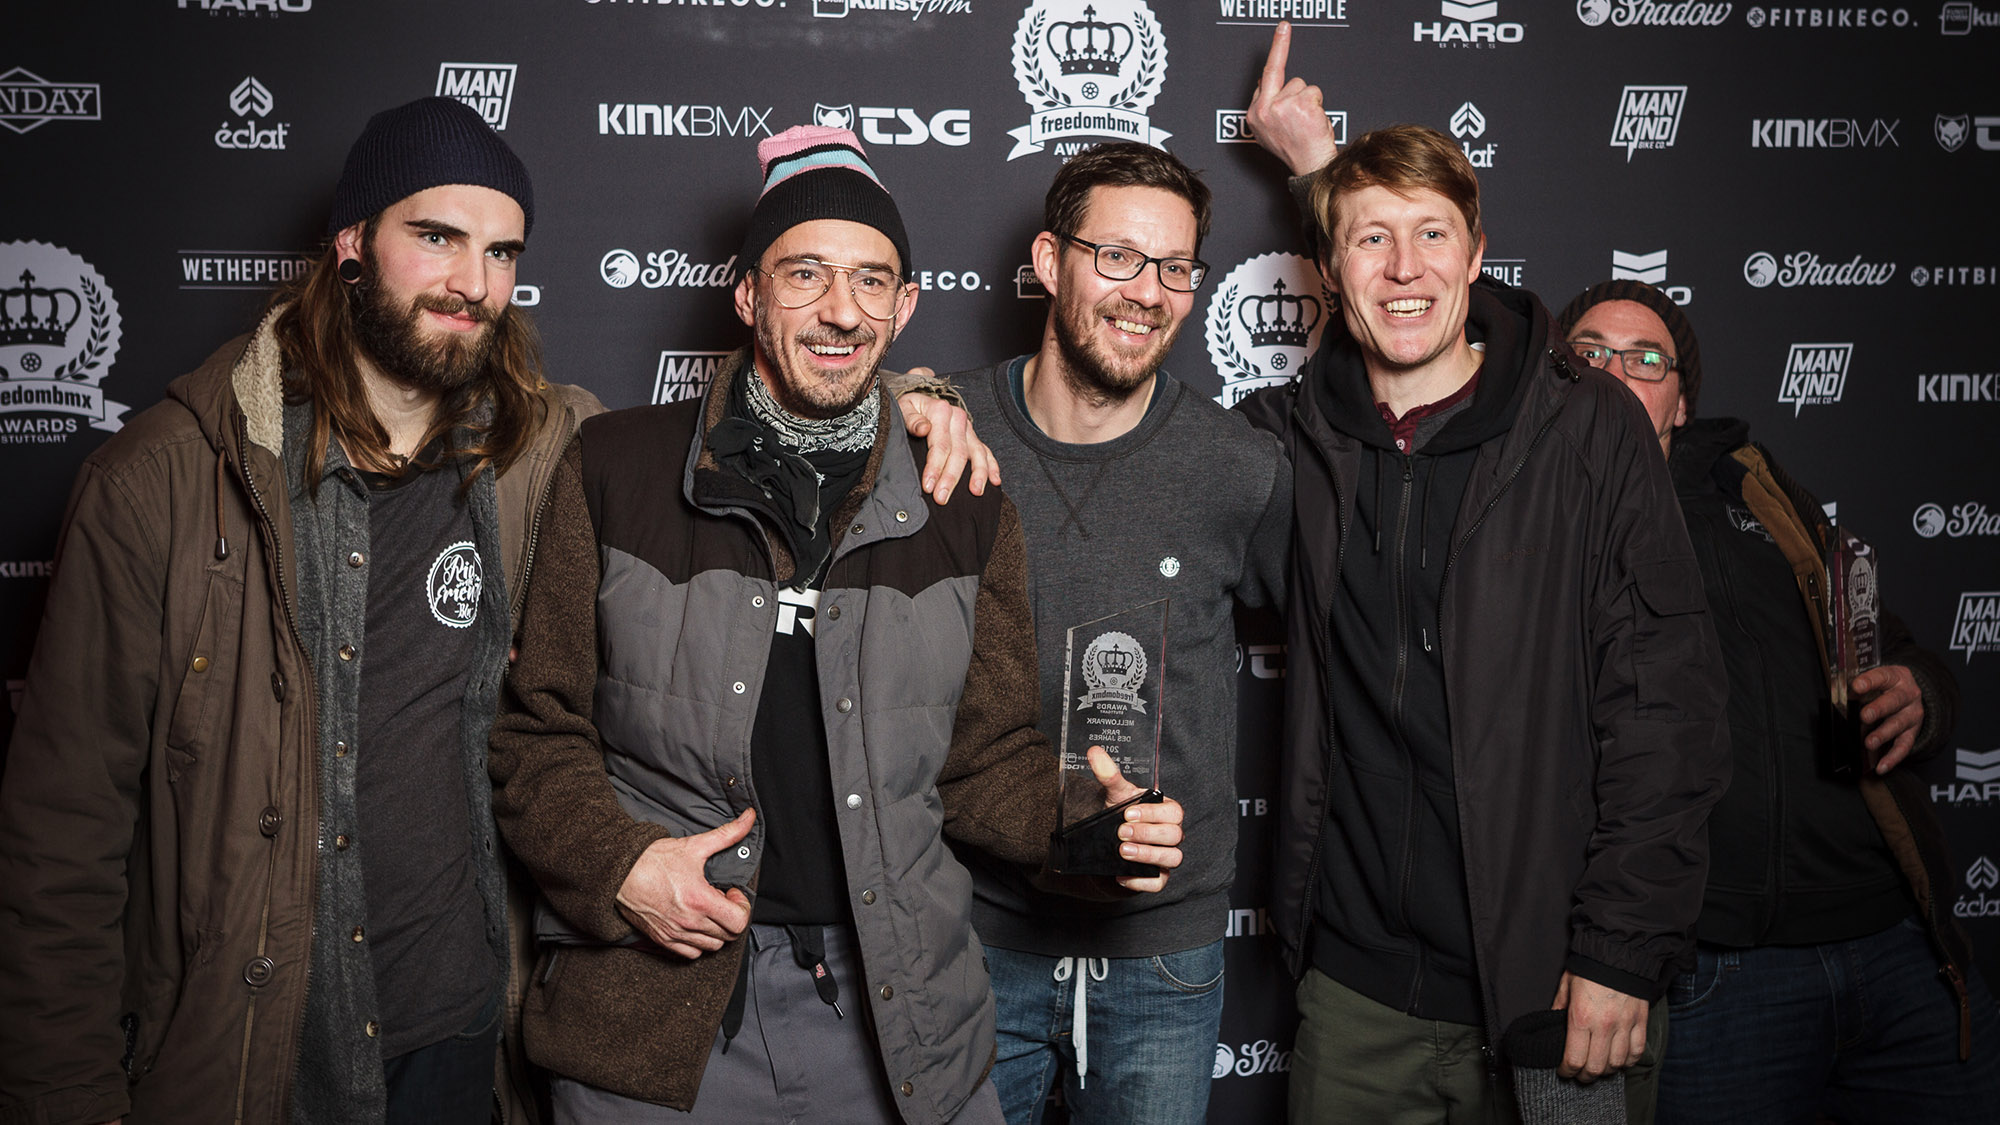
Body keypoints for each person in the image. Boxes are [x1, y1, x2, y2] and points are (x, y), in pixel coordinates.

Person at [0, 100, 989, 1125]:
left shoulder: (545, 452)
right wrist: (62, 1094)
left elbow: (761, 412)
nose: (471, 283)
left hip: (466, 1039)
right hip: (250, 1051)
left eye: (501, 251)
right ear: (351, 245)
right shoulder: (162, 484)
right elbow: (58, 841)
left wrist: (907, 400)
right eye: (434, 238)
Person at [485, 125, 1185, 1125]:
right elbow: (533, 733)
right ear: (747, 295)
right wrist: (620, 867)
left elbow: (983, 764)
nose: (838, 311)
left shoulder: (964, 497)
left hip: (896, 1010)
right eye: (803, 273)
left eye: (870, 281)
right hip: (653, 1019)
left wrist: (1084, 824)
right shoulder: (613, 466)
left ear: (904, 306)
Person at [1241, 35, 1731, 1123]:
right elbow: (1111, 438)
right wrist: (935, 402)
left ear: (1475, 256)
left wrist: (1617, 949)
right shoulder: (1289, 441)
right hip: (1357, 993)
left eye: (1431, 236)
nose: (1403, 268)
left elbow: (1665, 706)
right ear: (1328, 271)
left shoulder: (1585, 428)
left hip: (1556, 980)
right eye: (1371, 240)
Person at [1557, 279, 2000, 1124]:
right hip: (1720, 970)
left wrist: (1921, 693)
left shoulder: (1761, 495)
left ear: (1681, 401)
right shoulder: (1536, 510)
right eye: (1591, 354)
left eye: (1648, 359)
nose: (1617, 373)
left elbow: (1890, 642)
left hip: (1895, 939)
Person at [934, 143, 1290, 1125]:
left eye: (1175, 267)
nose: (1150, 293)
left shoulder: (1239, 470)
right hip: (975, 941)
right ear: (1049, 262)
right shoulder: (943, 429)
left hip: (1158, 963)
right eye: (1118, 258)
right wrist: (901, 396)